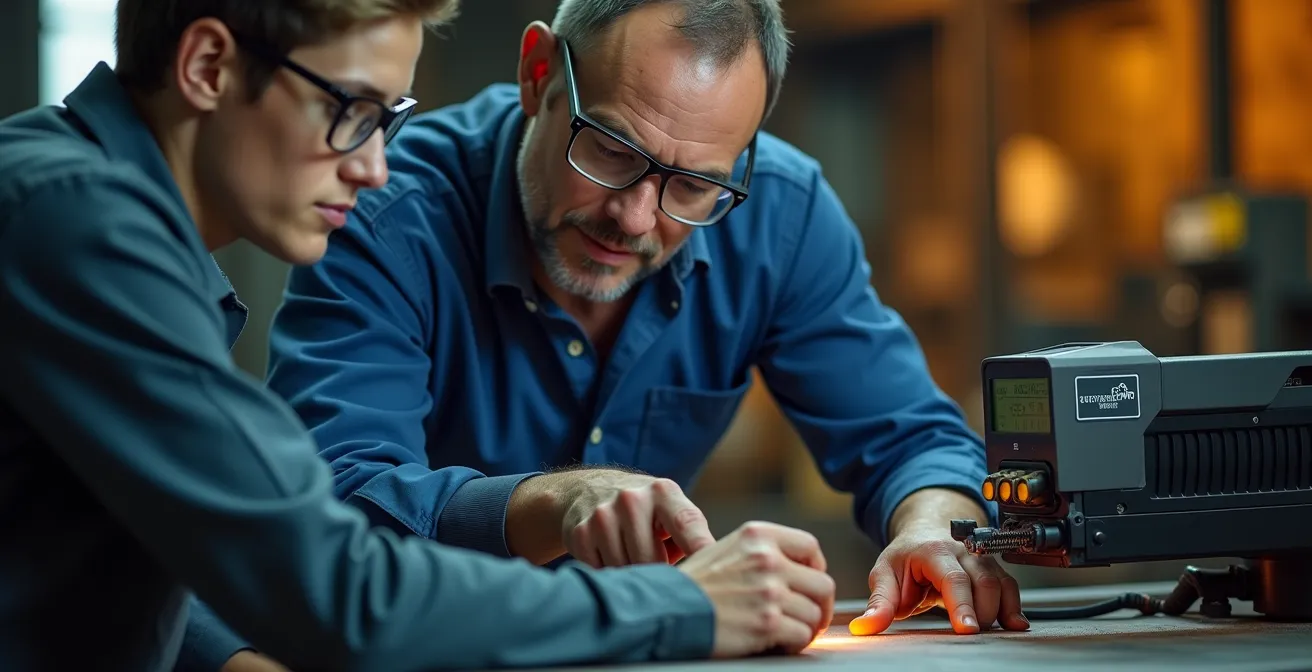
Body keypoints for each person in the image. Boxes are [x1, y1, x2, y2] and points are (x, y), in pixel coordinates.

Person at [0, 0, 840, 670]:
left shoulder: (77, 208)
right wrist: (690, 605)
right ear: (209, 65)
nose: (372, 166)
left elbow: (170, 548)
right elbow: (340, 588)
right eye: (351, 110)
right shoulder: (76, 224)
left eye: (386, 115)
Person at [256, 0, 1031, 647]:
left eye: (693, 185)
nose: (634, 217)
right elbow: (335, 514)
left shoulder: (781, 218)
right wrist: (559, 500)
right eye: (611, 150)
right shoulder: (382, 212)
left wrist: (936, 527)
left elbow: (915, 439)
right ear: (537, 76)